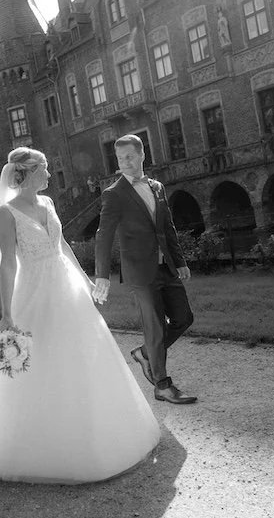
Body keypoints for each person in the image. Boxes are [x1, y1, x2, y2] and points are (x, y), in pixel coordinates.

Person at [0, 146, 160, 485]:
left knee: (82, 358)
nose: (49, 175)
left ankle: (93, 434)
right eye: (44, 169)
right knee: (18, 371)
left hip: (67, 290)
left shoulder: (49, 203)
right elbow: (8, 263)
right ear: (26, 173)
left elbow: (63, 246)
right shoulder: (7, 213)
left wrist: (86, 281)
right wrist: (6, 311)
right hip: (34, 293)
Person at [92, 134, 197, 405]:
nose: (125, 163)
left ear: (142, 156)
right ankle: (162, 385)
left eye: (129, 156)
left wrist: (180, 260)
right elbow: (103, 235)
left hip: (167, 267)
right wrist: (102, 274)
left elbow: (167, 227)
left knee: (184, 318)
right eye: (120, 158)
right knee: (156, 328)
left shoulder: (157, 187)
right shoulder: (114, 194)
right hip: (139, 271)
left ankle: (145, 354)